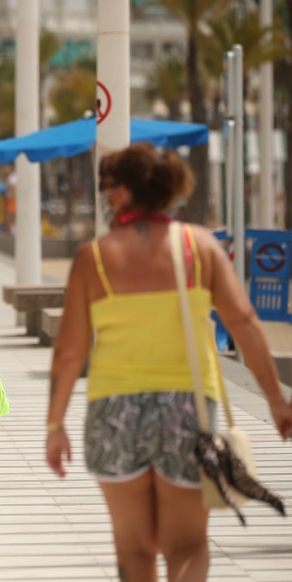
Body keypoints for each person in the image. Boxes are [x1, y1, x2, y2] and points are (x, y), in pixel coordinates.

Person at [46, 143, 292, 581]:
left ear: (121, 193)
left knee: (134, 550)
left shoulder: (94, 258)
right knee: (188, 545)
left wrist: (55, 425)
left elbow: (69, 352)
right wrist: (276, 400)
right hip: (188, 410)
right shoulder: (200, 246)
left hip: (113, 412)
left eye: (105, 188)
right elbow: (245, 323)